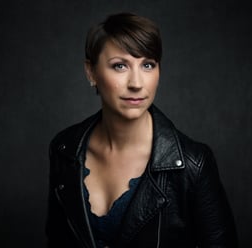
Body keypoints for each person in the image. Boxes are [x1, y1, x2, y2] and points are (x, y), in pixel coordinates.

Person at [46, 12, 238, 248]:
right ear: (91, 72)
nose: (136, 83)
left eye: (148, 65)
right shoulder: (65, 148)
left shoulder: (193, 164)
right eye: (120, 66)